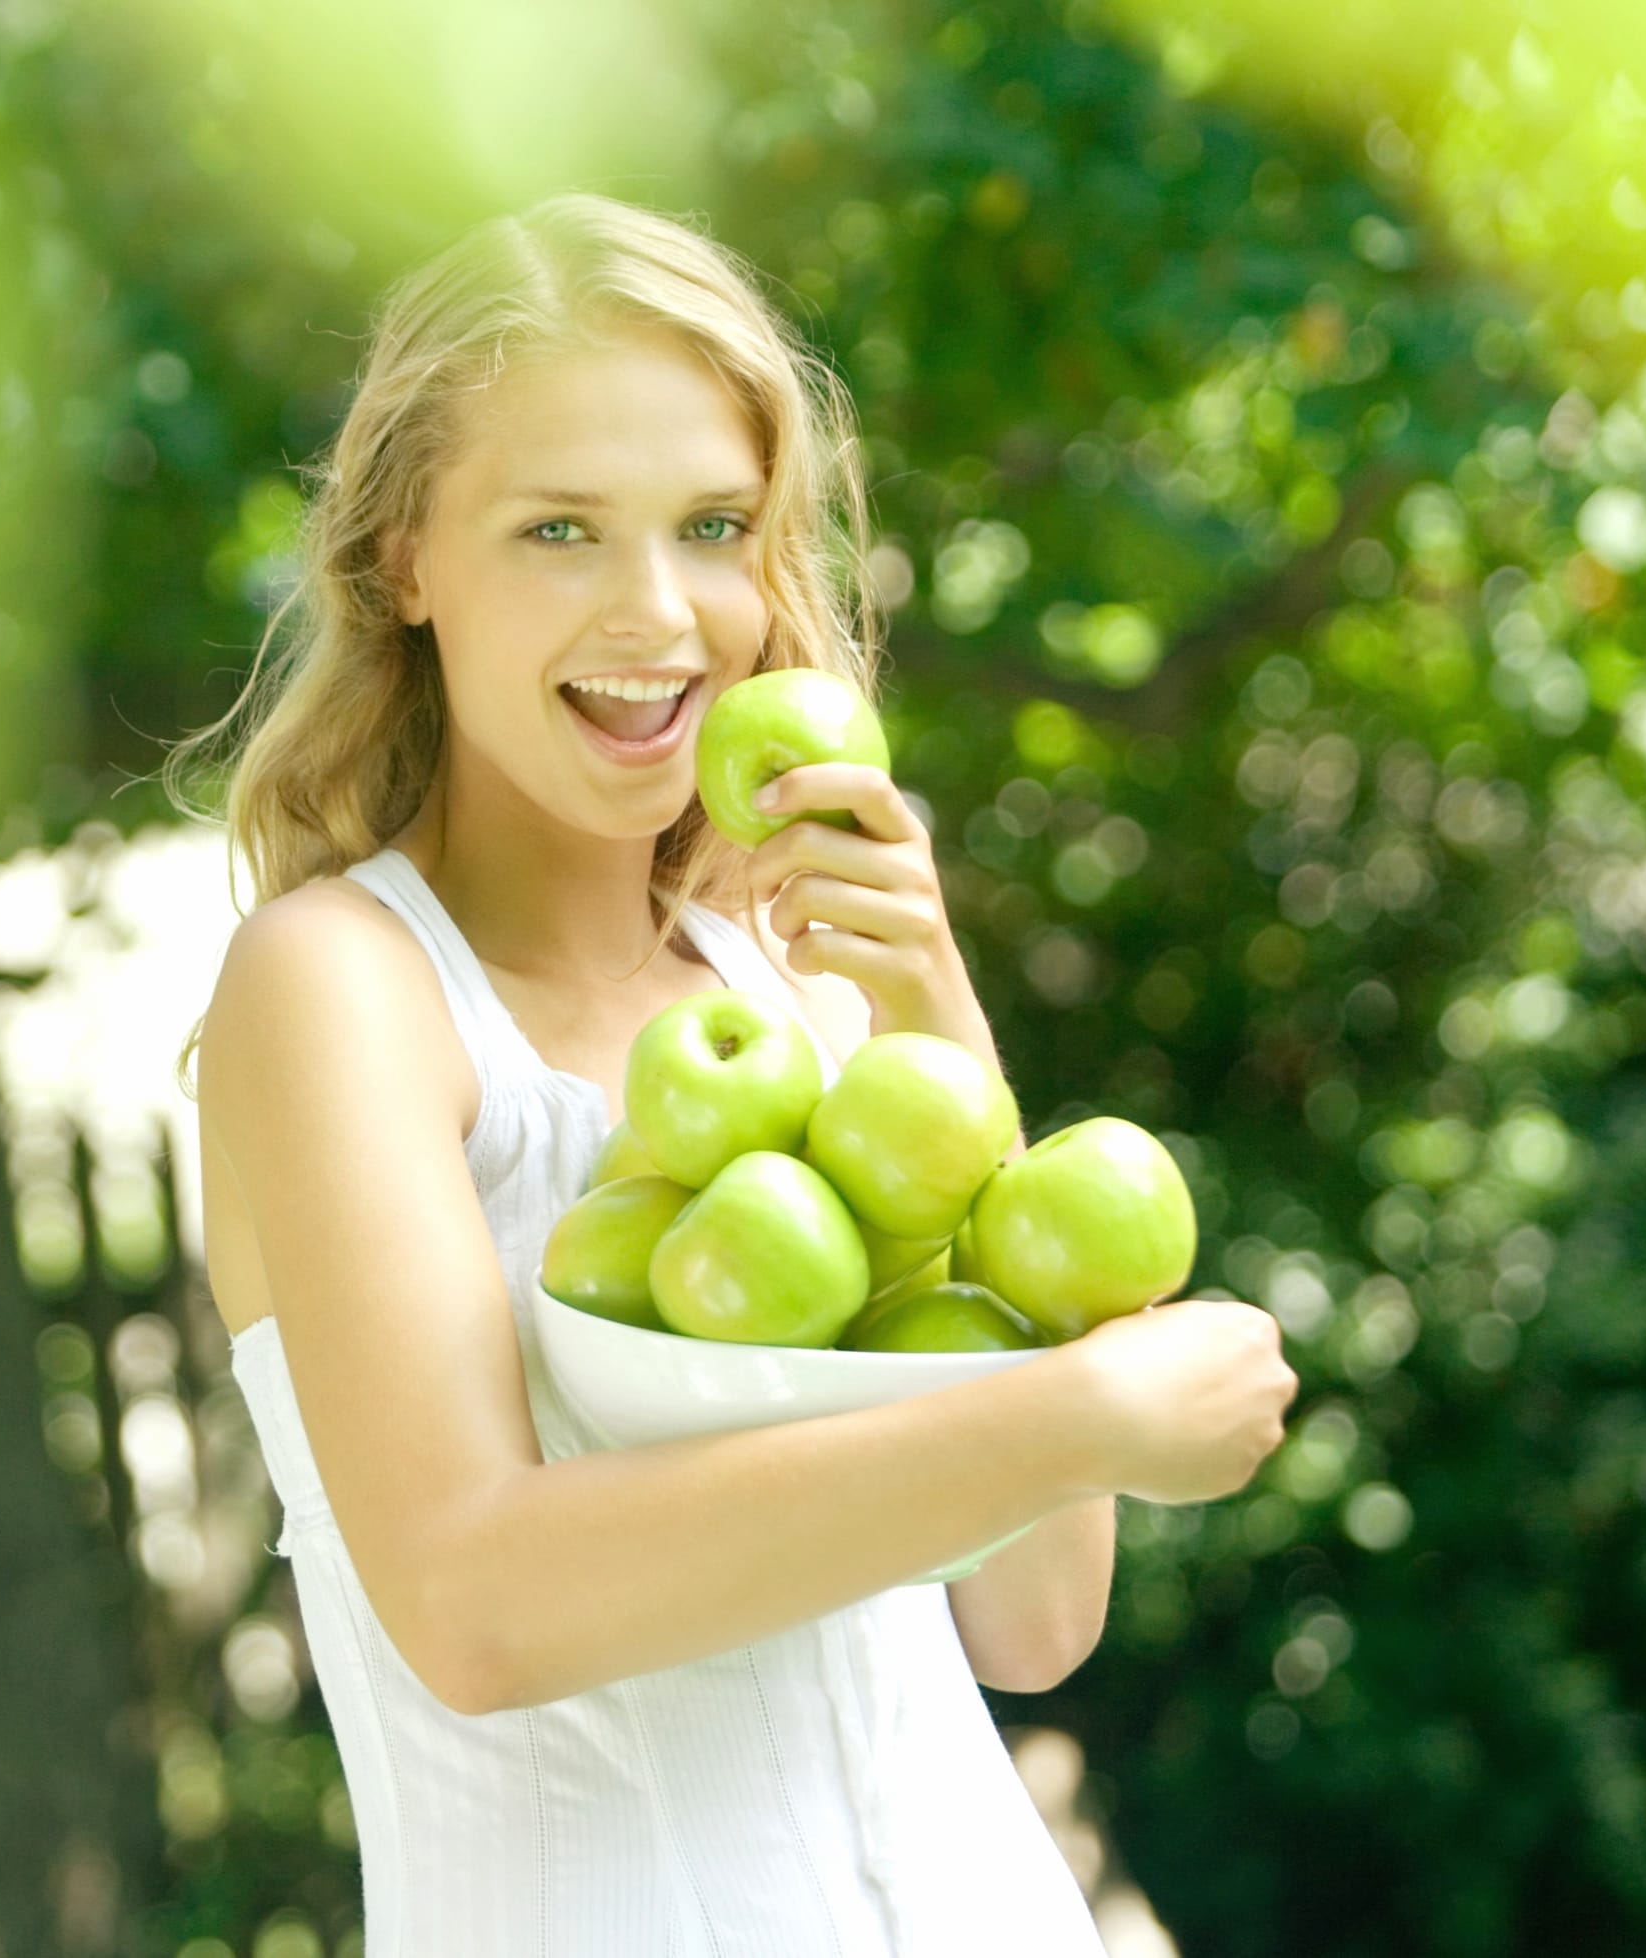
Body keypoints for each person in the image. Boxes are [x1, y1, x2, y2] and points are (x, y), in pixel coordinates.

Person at [166, 191, 1296, 1957]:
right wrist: (1081, 1411)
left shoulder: (804, 991)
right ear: (406, 560)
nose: (661, 614)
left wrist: (930, 1006)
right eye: (559, 529)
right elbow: (476, 1599)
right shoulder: (341, 990)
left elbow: (1032, 1612)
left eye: (713, 524)